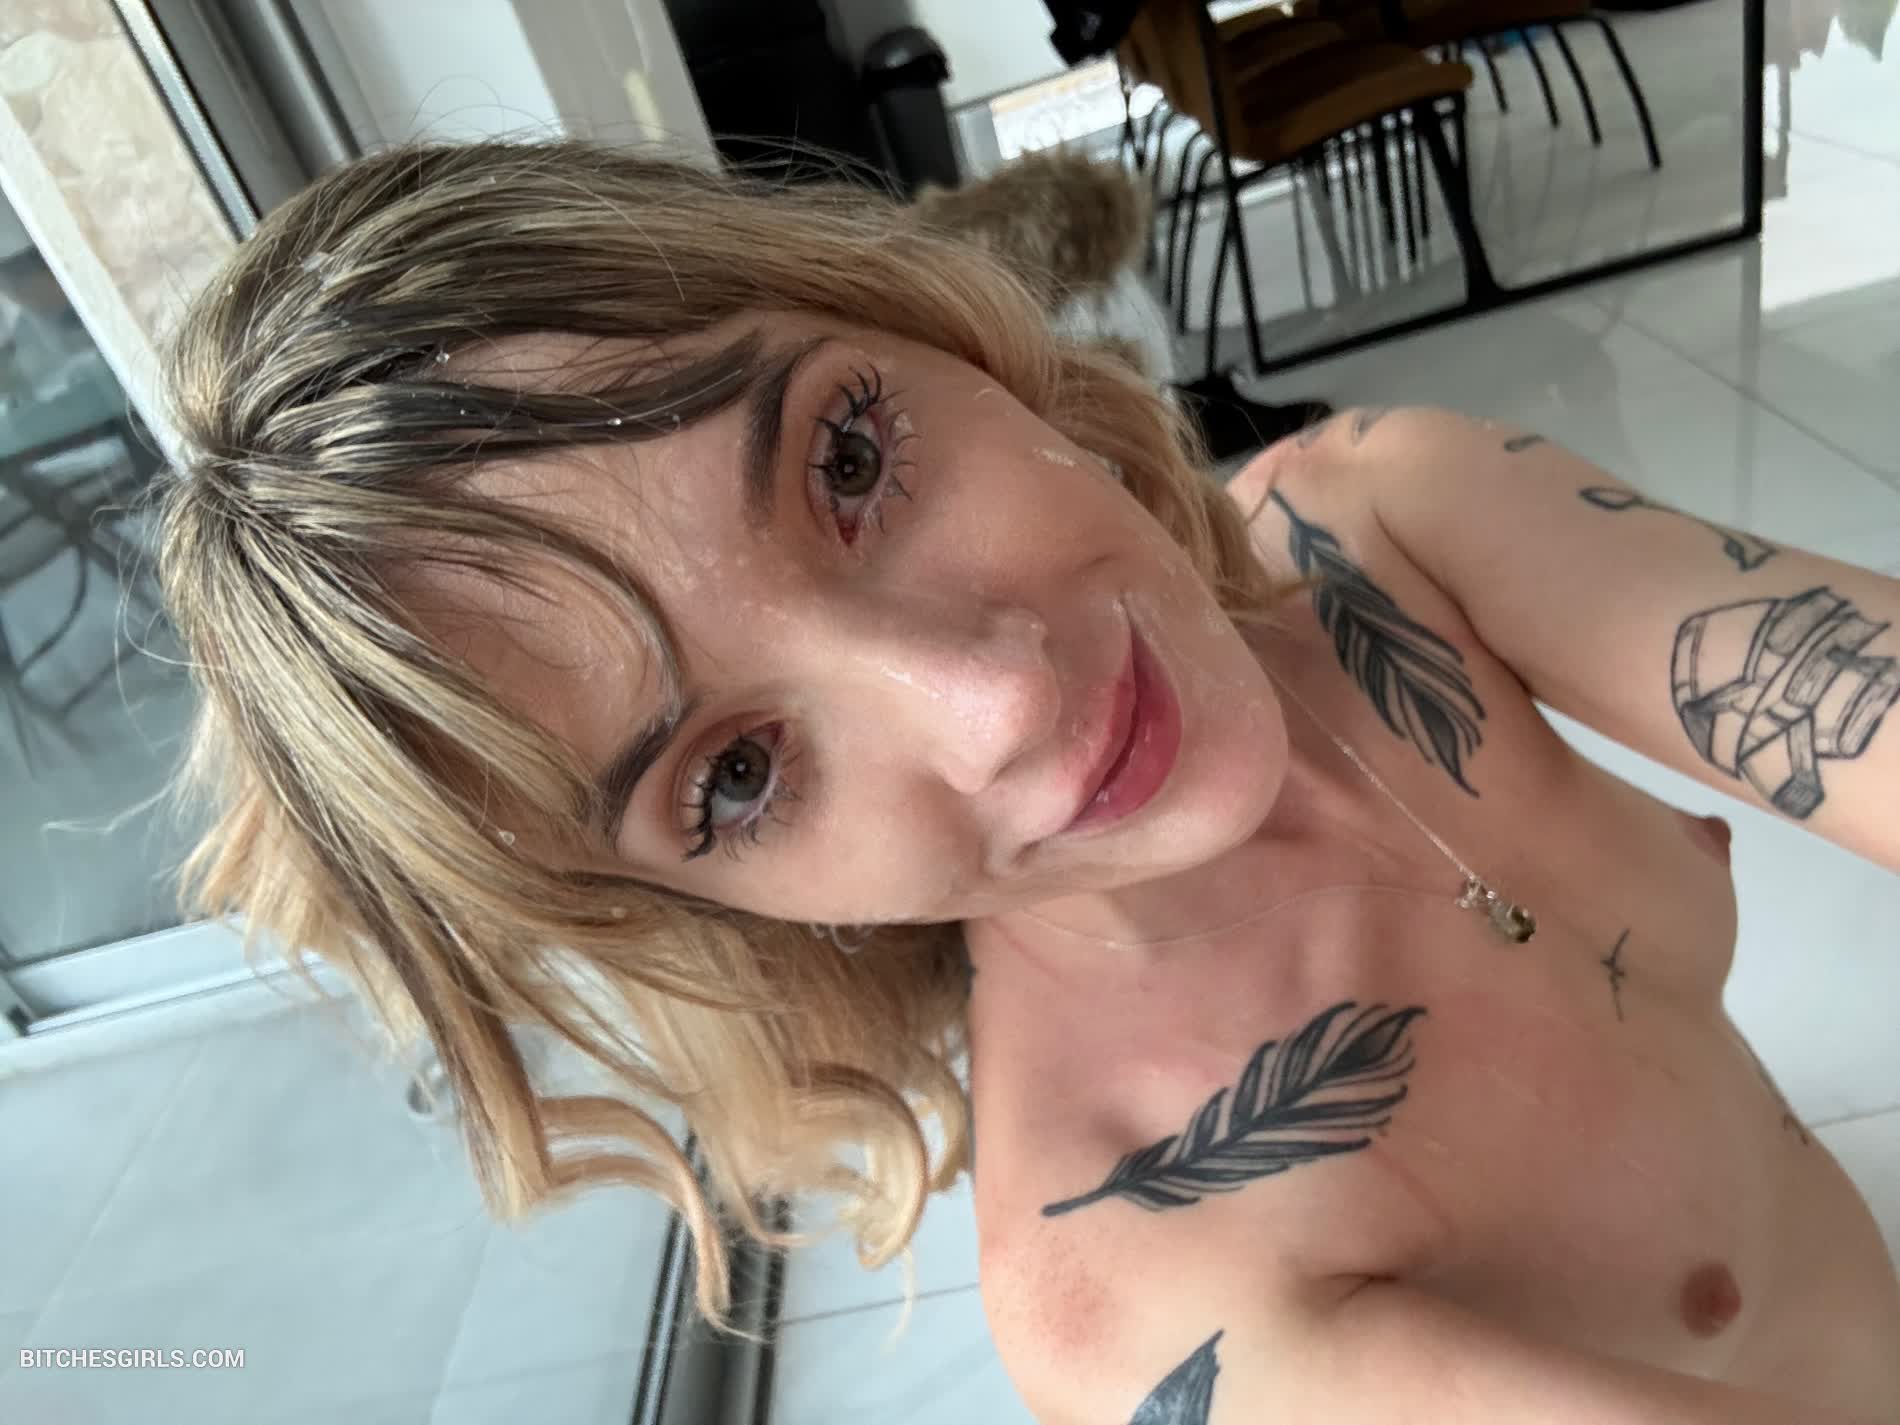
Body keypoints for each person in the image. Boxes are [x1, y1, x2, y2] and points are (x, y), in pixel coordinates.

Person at [152, 140, 1900, 1424]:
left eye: (850, 458)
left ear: (941, 337)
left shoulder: (1383, 521)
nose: (992, 701)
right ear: (695, 902)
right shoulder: (1134, 1283)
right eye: (738, 776)